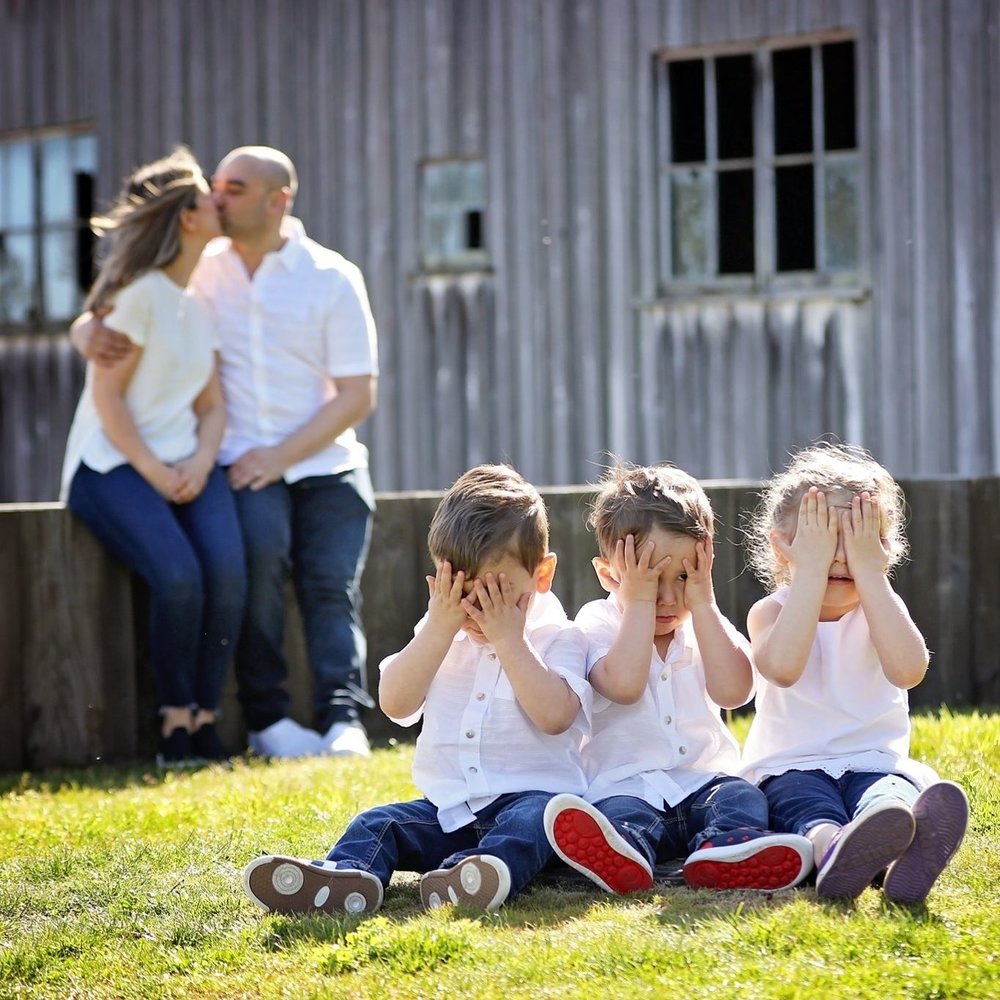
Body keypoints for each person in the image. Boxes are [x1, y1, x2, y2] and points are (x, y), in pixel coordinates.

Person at [73, 145, 379, 758]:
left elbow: (358, 393)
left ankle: (342, 719)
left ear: (277, 200)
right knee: (250, 582)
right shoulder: (200, 266)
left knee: (329, 588)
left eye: (233, 188)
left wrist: (278, 456)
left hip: (326, 462)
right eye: (214, 187)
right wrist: (85, 330)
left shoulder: (332, 276)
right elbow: (122, 300)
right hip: (236, 462)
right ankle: (265, 722)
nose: (217, 197)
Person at [242, 464, 592, 915]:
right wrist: (438, 630)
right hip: (448, 811)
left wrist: (510, 640)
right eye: (463, 593)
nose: (478, 611)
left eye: (496, 595)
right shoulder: (439, 633)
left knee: (538, 820)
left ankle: (471, 876)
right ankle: (347, 878)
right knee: (378, 822)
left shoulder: (561, 637)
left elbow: (556, 716)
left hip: (529, 805)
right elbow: (395, 703)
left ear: (542, 575)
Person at [543, 462, 813, 894]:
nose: (668, 598)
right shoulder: (597, 623)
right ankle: (623, 856)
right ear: (609, 575)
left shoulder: (703, 623)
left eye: (684, 577)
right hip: (626, 787)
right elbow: (624, 686)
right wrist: (637, 605)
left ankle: (724, 852)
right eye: (650, 581)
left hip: (704, 782)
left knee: (743, 798)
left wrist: (704, 605)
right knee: (621, 818)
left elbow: (735, 692)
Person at [61, 146, 246, 767]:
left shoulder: (198, 303)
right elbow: (107, 399)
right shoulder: (138, 297)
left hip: (185, 462)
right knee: (180, 577)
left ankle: (206, 718)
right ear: (186, 218)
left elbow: (212, 405)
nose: (218, 204)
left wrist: (200, 462)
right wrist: (157, 473)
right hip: (111, 467)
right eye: (207, 198)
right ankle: (174, 724)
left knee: (228, 575)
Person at [739, 442, 969, 903]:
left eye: (858, 541)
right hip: (791, 766)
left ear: (883, 549)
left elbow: (909, 670)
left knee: (888, 798)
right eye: (824, 540)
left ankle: (895, 854)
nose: (842, 557)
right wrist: (810, 572)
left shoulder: (881, 609)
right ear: (783, 548)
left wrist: (872, 576)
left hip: (874, 761)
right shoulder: (771, 612)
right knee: (807, 808)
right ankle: (834, 848)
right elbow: (782, 669)